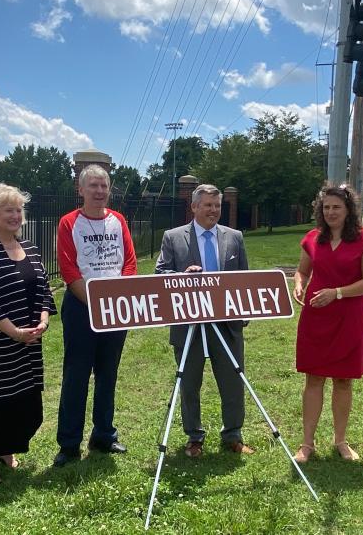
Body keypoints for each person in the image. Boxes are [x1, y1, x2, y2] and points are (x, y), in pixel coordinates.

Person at [0, 183, 56, 486]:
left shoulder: (29, 247)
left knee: (25, 404)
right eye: (9, 210)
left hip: (28, 344)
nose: (15, 215)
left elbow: (43, 288)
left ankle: (7, 450)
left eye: (19, 210)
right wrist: (14, 332)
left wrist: (42, 321)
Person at [155, 184, 253, 458]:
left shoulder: (234, 237)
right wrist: (182, 275)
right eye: (208, 205)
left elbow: (243, 278)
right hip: (189, 325)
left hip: (226, 323)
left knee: (233, 381)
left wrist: (243, 316)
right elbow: (160, 274)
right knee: (189, 383)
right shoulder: (173, 237)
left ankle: (233, 435)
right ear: (194, 207)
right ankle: (194, 437)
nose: (213, 210)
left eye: (217, 205)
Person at [53, 164, 137, 467]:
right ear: (81, 190)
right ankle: (69, 443)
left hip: (115, 309)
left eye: (104, 186)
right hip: (81, 307)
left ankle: (104, 435)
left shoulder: (119, 220)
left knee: (107, 374)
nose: (100, 192)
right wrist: (95, 302)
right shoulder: (68, 223)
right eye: (93, 186)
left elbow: (129, 261)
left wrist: (116, 301)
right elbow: (69, 268)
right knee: (76, 376)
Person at [292, 184, 363, 463]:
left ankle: (340, 441)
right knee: (313, 378)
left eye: (336, 207)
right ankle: (307, 444)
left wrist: (337, 293)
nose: (330, 212)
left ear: (348, 210)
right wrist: (298, 284)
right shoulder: (313, 238)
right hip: (316, 315)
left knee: (343, 380)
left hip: (349, 316)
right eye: (326, 207)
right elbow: (302, 270)